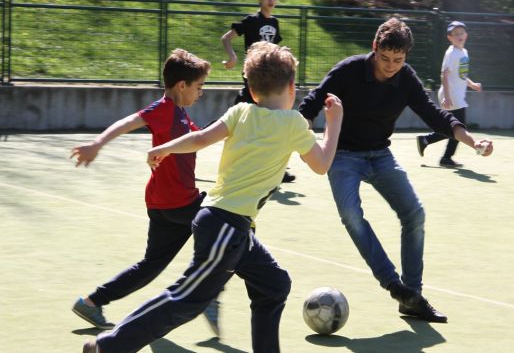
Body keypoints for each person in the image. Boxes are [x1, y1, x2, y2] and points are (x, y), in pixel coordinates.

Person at [83, 41, 343, 353]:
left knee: (274, 285)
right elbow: (322, 164)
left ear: (251, 87)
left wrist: (166, 147)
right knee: (187, 300)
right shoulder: (294, 124)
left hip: (228, 224)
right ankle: (108, 346)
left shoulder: (240, 111)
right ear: (291, 87)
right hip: (226, 227)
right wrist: (334, 123)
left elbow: (201, 138)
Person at [298, 18, 493, 323]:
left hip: (380, 154)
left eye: (398, 60)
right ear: (374, 48)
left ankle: (411, 297)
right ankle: (394, 285)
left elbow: (435, 115)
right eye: (385, 58)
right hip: (344, 156)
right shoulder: (348, 70)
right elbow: (309, 107)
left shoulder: (406, 78)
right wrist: (296, 134)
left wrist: (472, 141)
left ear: (406, 57)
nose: (390, 66)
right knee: (351, 215)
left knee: (414, 214)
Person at [69, 48, 222, 336]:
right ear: (181, 85)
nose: (201, 93)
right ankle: (209, 294)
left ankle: (92, 301)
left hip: (164, 203)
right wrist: (97, 144)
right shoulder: (164, 110)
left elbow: (199, 140)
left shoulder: (181, 115)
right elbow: (127, 122)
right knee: (228, 229)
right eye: (199, 87)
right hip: (179, 202)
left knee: (150, 266)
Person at [220, 0, 297, 184]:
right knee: (234, 121)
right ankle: (197, 137)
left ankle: (277, 169)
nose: (270, 0)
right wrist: (233, 57)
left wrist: (284, 54)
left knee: (268, 118)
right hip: (253, 78)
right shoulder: (251, 21)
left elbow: (273, 48)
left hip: (270, 78)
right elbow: (226, 38)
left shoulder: (275, 23)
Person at [416, 21, 483, 167]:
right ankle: (446, 158)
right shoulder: (451, 53)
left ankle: (426, 141)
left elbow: (461, 75)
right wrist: (447, 96)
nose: (459, 35)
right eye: (455, 34)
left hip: (456, 96)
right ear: (450, 38)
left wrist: (472, 84)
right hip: (451, 96)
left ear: (466, 35)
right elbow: (444, 75)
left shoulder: (464, 53)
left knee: (452, 128)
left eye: (461, 32)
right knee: (459, 128)